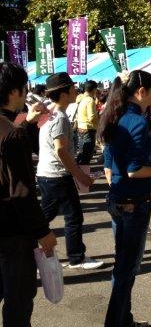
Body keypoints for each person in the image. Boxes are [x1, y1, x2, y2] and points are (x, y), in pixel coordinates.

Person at [99, 70, 151, 327]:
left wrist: (150, 130)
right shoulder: (136, 122)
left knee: (122, 266)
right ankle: (116, 322)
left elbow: (111, 162)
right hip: (134, 200)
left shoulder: (115, 116)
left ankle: (123, 319)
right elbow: (134, 169)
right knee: (127, 269)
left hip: (118, 198)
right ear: (141, 92)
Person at [0, 62, 57, 327]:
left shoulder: (12, 130)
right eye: (24, 88)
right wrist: (43, 231)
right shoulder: (12, 134)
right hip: (13, 230)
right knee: (19, 298)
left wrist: (29, 125)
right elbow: (22, 191)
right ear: (14, 92)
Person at [36, 73, 103, 270]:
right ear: (64, 94)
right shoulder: (60, 118)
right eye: (73, 89)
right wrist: (79, 175)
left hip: (47, 173)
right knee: (73, 216)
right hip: (57, 175)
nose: (76, 91)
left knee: (44, 216)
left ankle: (24, 245)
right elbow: (61, 150)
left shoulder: (49, 113)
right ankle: (76, 257)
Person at [76, 80, 99, 166]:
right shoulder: (90, 100)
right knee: (87, 155)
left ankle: (77, 171)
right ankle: (83, 172)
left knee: (82, 152)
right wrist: (99, 118)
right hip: (88, 129)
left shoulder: (81, 98)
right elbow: (91, 117)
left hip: (81, 127)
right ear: (94, 89)